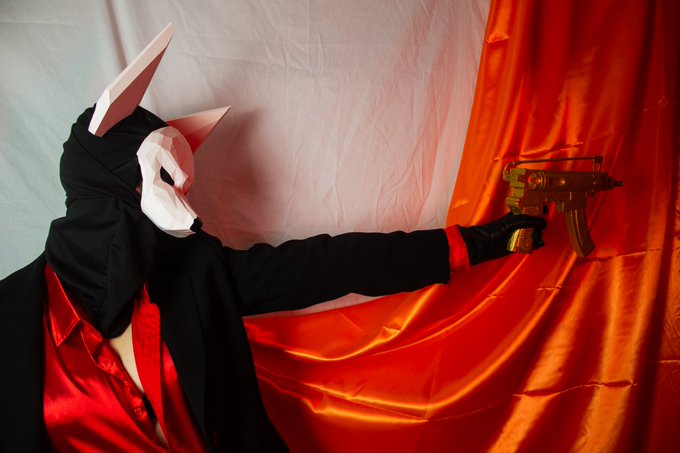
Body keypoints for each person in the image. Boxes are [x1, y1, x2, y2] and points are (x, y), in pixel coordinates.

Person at [0, 25, 547, 453]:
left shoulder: (196, 272)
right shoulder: (12, 316)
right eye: (160, 181)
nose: (181, 204)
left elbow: (332, 264)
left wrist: (472, 244)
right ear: (110, 185)